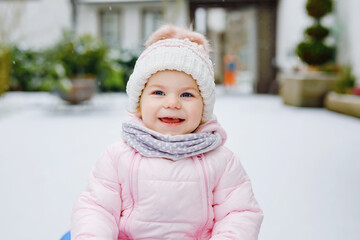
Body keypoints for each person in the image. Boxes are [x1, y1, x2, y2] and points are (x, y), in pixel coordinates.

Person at [71, 25, 263, 239]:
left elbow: (238, 214)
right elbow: (97, 209)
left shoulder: (221, 162)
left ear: (204, 108)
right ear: (139, 103)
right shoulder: (117, 157)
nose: (172, 103)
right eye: (159, 92)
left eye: (187, 95)